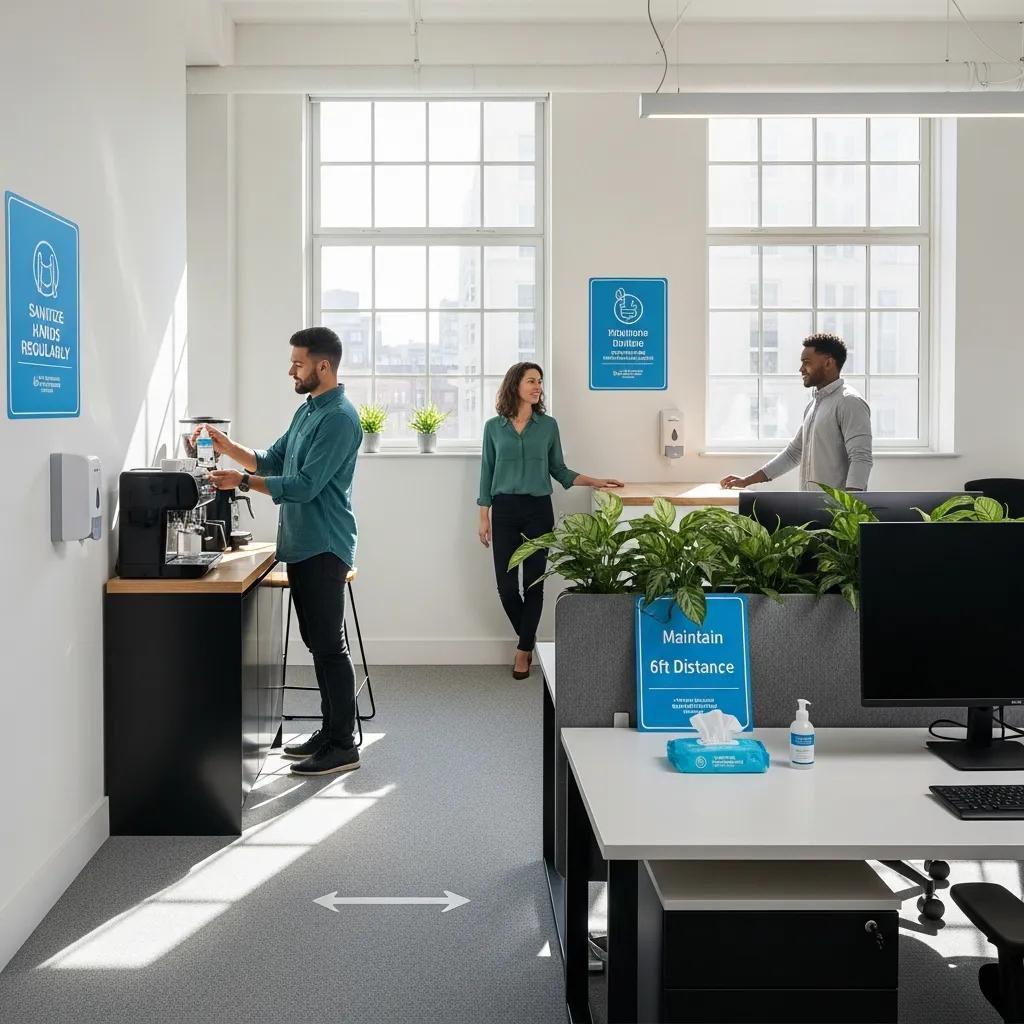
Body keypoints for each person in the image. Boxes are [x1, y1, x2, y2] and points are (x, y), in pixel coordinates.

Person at [195, 326, 363, 777]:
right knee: (318, 644)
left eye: (298, 362)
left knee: (329, 646)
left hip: (325, 544)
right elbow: (272, 459)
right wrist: (230, 449)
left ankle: (343, 744)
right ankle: (331, 732)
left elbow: (306, 486)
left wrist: (243, 482)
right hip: (303, 544)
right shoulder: (308, 410)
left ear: (322, 366)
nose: (291, 369)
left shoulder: (341, 419)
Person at [478, 362, 623, 679]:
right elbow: (486, 473)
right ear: (515, 384)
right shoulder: (493, 427)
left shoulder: (548, 426)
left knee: (533, 585)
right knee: (506, 588)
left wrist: (594, 480)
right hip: (503, 511)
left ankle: (522, 653)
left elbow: (559, 470)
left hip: (537, 511)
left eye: (540, 382)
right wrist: (483, 516)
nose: (537, 387)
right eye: (531, 381)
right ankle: (528, 644)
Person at [720, 332, 873, 493]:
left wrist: (850, 508)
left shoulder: (849, 402)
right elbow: (793, 453)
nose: (801, 369)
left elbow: (861, 458)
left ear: (828, 363)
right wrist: (747, 481)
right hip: (811, 507)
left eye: (806, 363)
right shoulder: (814, 405)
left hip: (838, 512)